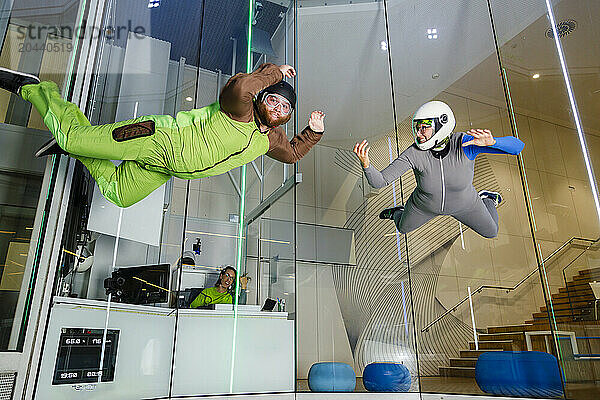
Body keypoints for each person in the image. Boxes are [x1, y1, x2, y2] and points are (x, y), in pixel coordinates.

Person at [0, 64, 324, 208]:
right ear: (262, 99)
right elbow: (242, 85)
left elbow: (293, 154)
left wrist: (313, 133)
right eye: (273, 98)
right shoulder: (240, 107)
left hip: (164, 167)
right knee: (73, 137)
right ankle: (34, 88)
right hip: (154, 138)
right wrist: (275, 73)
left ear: (288, 116)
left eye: (285, 106)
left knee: (119, 195)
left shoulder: (270, 141)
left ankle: (73, 147)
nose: (278, 106)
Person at [353, 100, 524, 239]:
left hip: (465, 205)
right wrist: (366, 164)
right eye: (417, 128)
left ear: (442, 124)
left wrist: (494, 143)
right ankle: (398, 212)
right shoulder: (414, 153)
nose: (419, 134)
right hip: (423, 207)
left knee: (492, 232)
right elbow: (380, 181)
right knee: (402, 228)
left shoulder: (465, 143)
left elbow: (518, 147)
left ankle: (487, 198)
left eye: (424, 127)